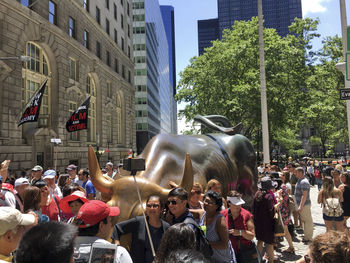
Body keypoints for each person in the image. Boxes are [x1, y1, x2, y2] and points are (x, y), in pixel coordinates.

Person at [111, 195, 170, 263]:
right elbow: (117, 227)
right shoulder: (138, 221)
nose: (151, 208)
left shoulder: (166, 227)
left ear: (161, 209)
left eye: (155, 206)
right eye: (149, 205)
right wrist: (117, 246)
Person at [199, 191, 236, 263]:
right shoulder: (203, 214)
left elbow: (224, 244)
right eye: (206, 201)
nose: (206, 204)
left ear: (216, 206)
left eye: (210, 203)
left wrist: (206, 245)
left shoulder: (220, 220)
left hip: (223, 260)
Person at [222, 190, 257, 263]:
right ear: (229, 203)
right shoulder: (222, 214)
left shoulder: (246, 214)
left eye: (239, 203)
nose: (238, 206)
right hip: (228, 252)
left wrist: (240, 232)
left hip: (244, 252)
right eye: (235, 204)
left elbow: (252, 236)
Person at [253, 176, 277, 263]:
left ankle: (258, 260)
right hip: (268, 224)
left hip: (258, 223)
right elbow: (271, 212)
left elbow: (254, 209)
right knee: (269, 244)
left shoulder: (256, 195)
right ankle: (271, 261)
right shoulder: (269, 196)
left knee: (259, 241)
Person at [275, 176, 295, 253]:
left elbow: (280, 201)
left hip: (280, 213)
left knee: (284, 231)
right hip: (286, 211)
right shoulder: (284, 187)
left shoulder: (279, 191)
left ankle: (291, 247)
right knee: (286, 231)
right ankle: (291, 247)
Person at [294, 167, 313, 242]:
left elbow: (304, 195)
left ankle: (308, 237)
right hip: (302, 204)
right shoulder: (300, 180)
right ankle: (306, 235)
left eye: (296, 172)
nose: (295, 174)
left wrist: (300, 206)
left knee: (307, 221)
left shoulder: (304, 182)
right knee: (305, 220)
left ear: (300, 172)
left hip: (304, 205)